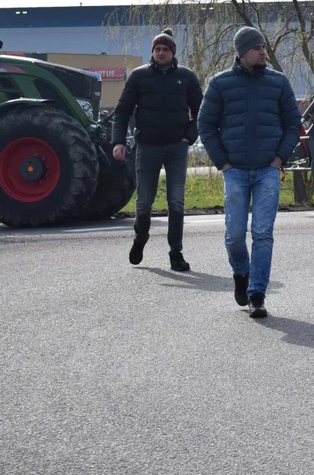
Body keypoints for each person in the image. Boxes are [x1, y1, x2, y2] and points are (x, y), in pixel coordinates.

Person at [197, 26, 301, 318]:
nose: (263, 52)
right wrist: (224, 163)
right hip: (235, 171)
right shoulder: (220, 84)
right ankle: (241, 272)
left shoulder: (279, 83)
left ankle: (257, 294)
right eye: (257, 48)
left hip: (268, 170)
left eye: (263, 47)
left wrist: (279, 159)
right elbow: (205, 126)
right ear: (242, 52)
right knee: (234, 236)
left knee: (263, 234)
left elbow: (293, 124)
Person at [112, 28, 203, 272]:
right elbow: (121, 112)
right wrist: (118, 141)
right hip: (148, 146)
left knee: (176, 200)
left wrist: (188, 137)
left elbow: (201, 113)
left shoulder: (186, 77)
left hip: (177, 147)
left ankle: (176, 253)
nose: (161, 53)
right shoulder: (139, 77)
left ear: (173, 53)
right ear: (152, 52)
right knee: (144, 202)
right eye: (157, 49)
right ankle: (140, 238)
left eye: (165, 49)